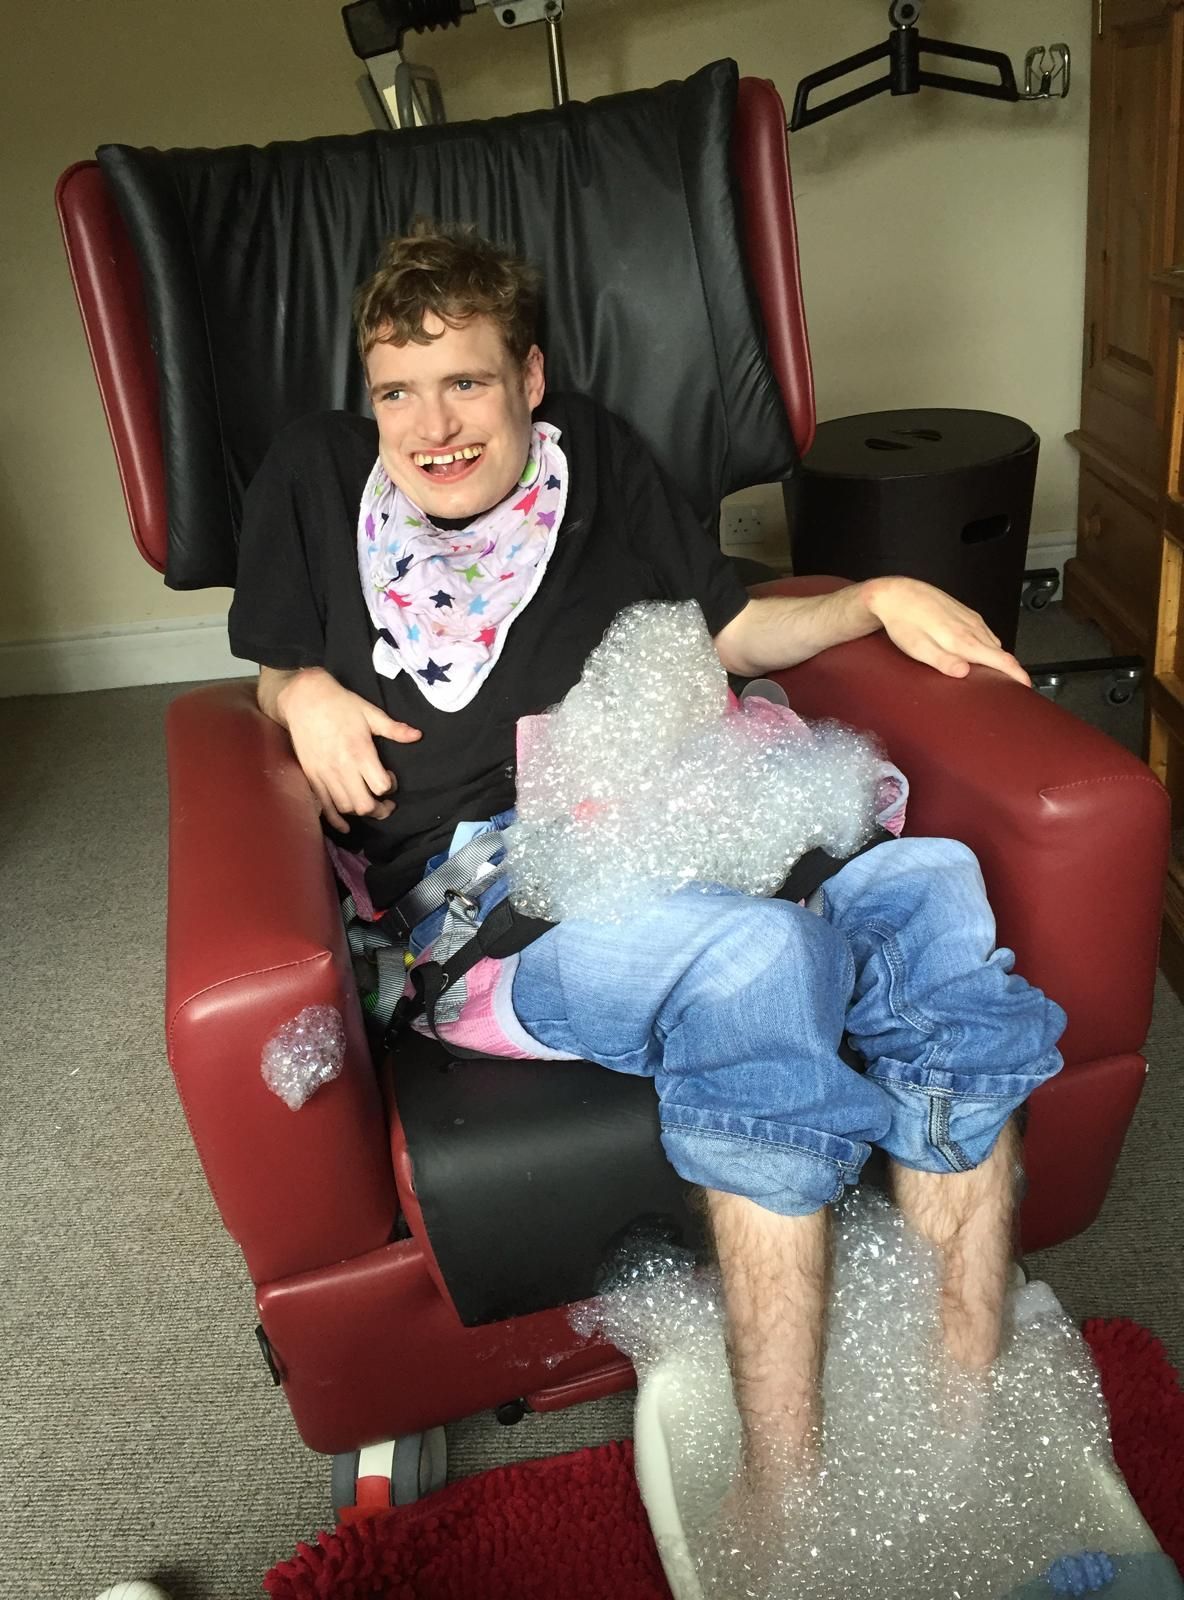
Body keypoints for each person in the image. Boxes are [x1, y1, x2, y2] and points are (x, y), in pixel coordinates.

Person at [229, 223, 1066, 1516]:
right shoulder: (317, 477)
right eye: (398, 391)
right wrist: (298, 695)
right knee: (760, 959)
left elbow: (724, 630)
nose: (432, 428)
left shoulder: (601, 458)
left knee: (933, 887)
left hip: (686, 809)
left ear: (530, 377)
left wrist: (870, 598)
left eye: (467, 382)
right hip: (501, 905)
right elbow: (268, 667)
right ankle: (784, 1503)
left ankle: (963, 1421)